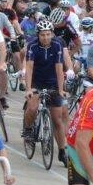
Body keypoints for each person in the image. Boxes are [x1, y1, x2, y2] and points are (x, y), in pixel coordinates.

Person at [22, 19, 68, 165]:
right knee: (33, 107)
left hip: (52, 82)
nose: (46, 37)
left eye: (48, 34)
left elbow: (59, 69)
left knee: (57, 119)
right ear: (38, 35)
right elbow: (29, 67)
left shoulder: (57, 45)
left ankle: (62, 151)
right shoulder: (32, 45)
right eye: (43, 35)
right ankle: (28, 129)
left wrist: (60, 90)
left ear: (52, 34)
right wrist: (29, 88)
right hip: (36, 81)